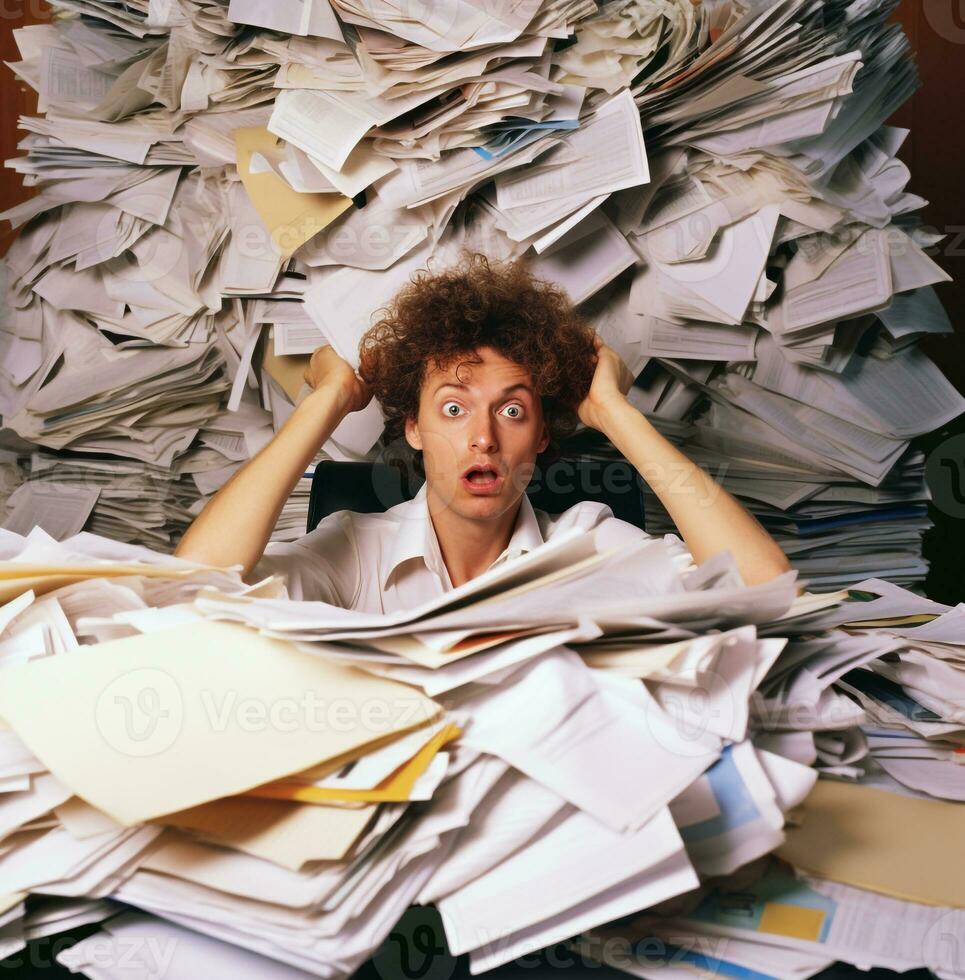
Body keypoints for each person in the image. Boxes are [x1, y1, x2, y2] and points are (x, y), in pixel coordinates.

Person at [174, 252, 793, 610]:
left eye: (513, 410)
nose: (483, 438)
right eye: (452, 408)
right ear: (411, 428)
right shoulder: (353, 551)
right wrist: (328, 400)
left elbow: (767, 589)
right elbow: (192, 586)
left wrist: (613, 413)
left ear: (543, 436)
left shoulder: (584, 545)